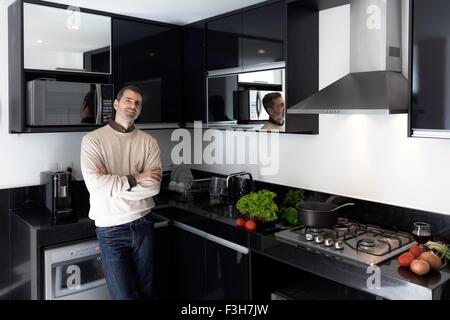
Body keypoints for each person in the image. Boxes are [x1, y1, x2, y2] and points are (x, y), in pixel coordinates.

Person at [80, 85, 162, 300]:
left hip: (143, 222)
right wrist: (137, 178)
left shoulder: (148, 142)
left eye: (137, 103)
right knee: (122, 296)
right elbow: (96, 186)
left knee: (147, 291)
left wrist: (112, 186)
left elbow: (153, 187)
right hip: (110, 229)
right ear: (116, 104)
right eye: (128, 100)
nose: (132, 106)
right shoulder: (93, 140)